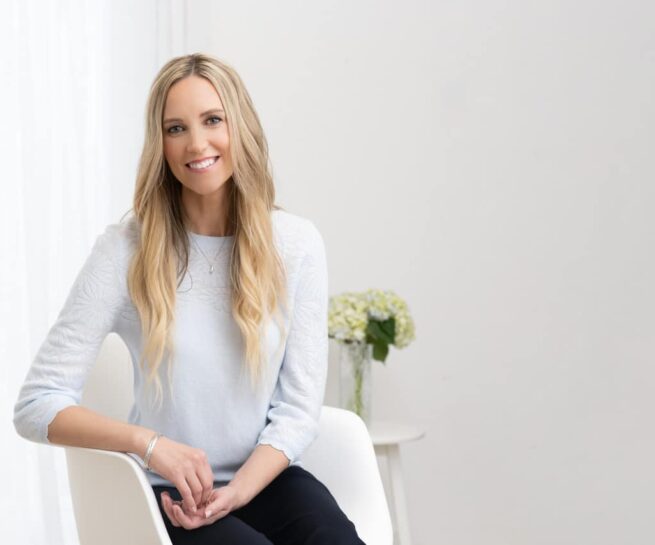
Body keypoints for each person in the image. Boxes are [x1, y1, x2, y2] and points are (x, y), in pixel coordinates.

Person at [13, 52, 366, 545]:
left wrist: (238, 491)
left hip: (260, 479)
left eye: (212, 120)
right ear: (159, 144)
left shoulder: (296, 244)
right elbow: (36, 405)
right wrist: (151, 445)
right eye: (175, 128)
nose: (196, 143)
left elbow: (297, 411)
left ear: (239, 126)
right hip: (163, 491)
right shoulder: (125, 250)